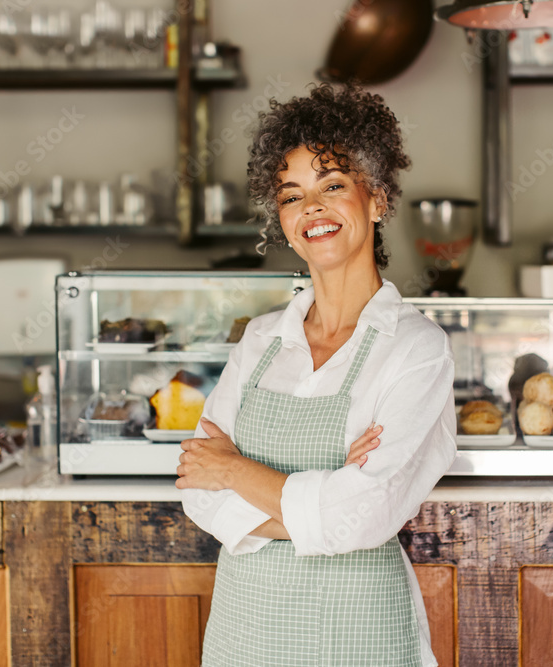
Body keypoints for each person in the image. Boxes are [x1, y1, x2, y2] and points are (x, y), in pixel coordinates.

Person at [177, 84, 457, 667]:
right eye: (292, 194)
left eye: (333, 186)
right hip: (244, 631)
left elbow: (367, 514)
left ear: (376, 199)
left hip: (362, 633)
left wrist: (234, 470)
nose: (312, 209)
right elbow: (201, 497)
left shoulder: (416, 349)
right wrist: (324, 507)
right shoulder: (259, 340)